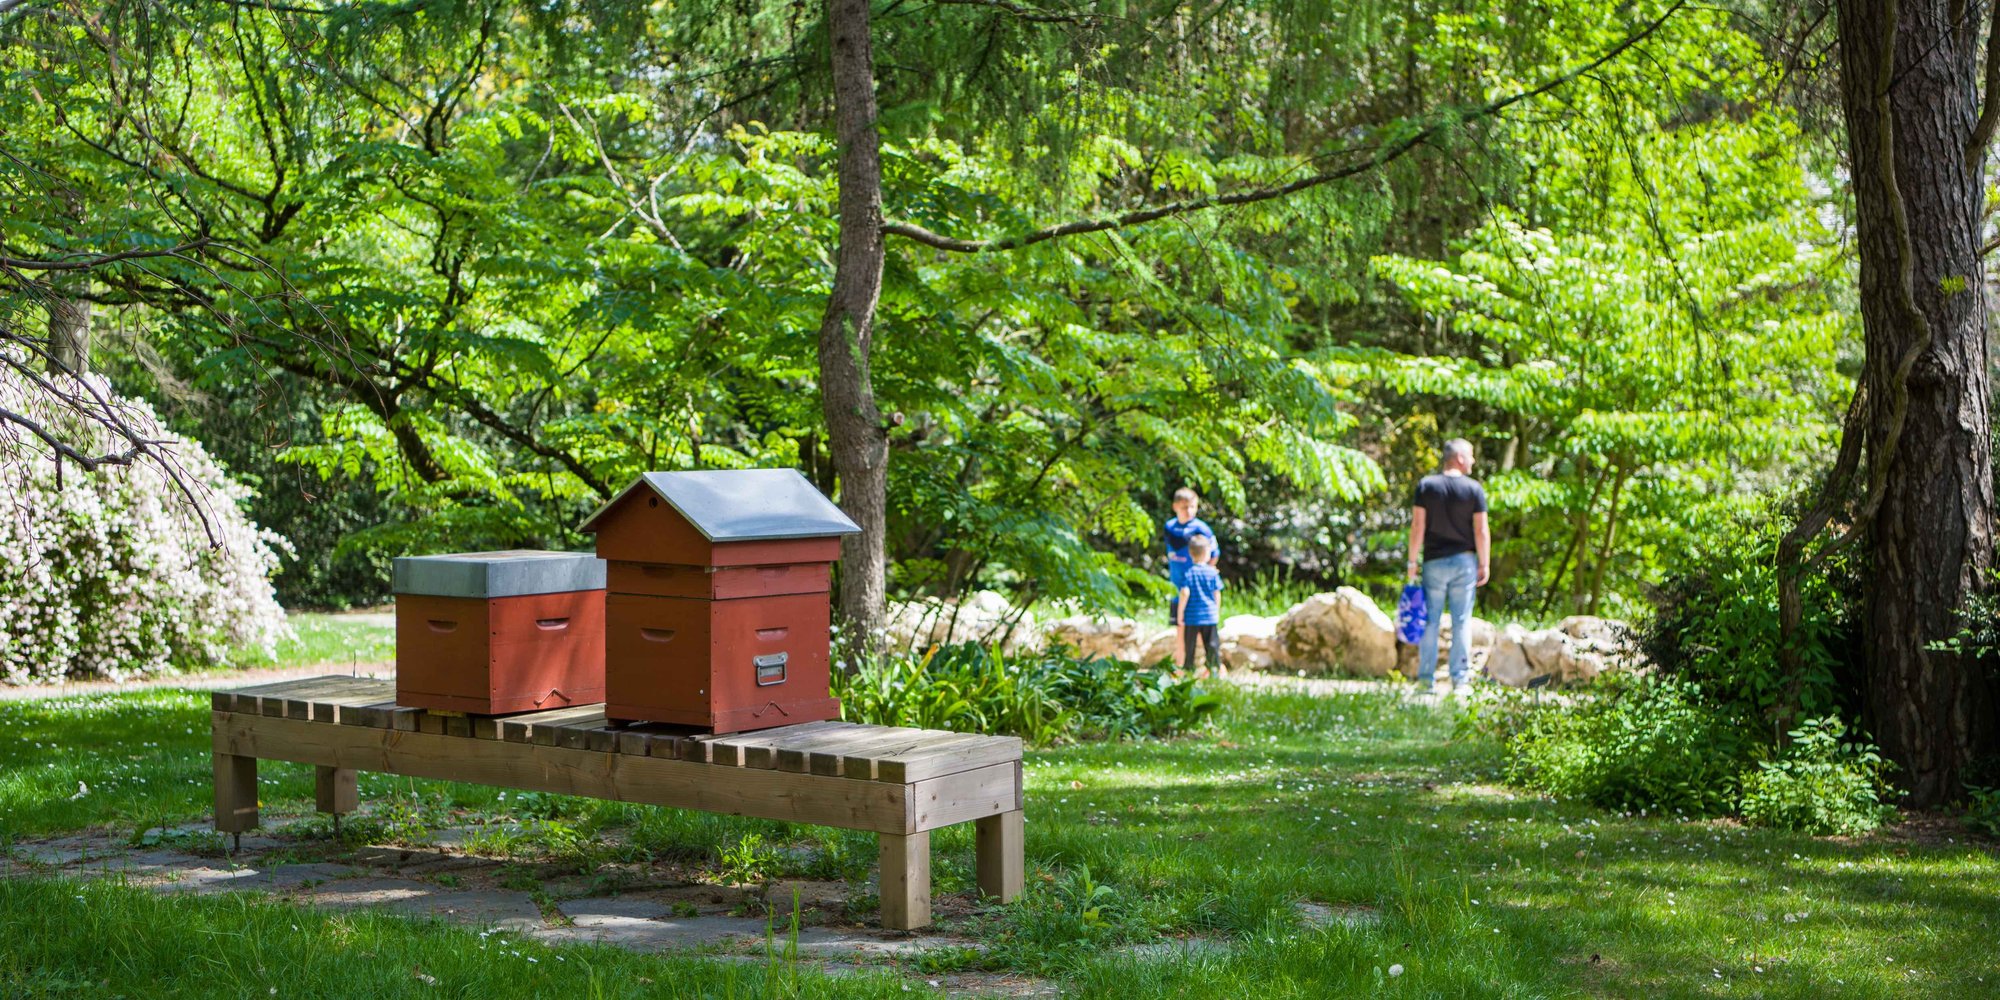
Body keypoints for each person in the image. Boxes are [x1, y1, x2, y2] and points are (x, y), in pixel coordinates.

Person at [1405, 438, 1490, 695]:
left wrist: (1412, 561)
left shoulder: (1427, 486)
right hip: (1464, 562)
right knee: (1461, 622)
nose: (1473, 461)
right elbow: (1481, 530)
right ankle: (1460, 681)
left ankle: (1426, 681)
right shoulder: (1474, 490)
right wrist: (1484, 563)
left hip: (1433, 563)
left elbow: (1418, 527)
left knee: (1430, 620)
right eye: (1471, 456)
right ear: (1460, 458)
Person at [1162, 488, 1220, 666]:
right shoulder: (1169, 527)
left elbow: (1214, 553)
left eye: (1192, 507)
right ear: (1175, 507)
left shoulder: (1201, 529)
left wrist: (1205, 574)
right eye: (1184, 507)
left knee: (1205, 632)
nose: (1188, 511)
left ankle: (1213, 666)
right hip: (1177, 587)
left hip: (1197, 590)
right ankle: (1181, 666)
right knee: (1181, 628)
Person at [1177, 535, 1224, 678]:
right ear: (1207, 553)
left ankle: (1188, 670)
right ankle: (1213, 670)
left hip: (1192, 618)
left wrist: (1180, 614)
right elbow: (1217, 593)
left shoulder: (1189, 573)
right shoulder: (1212, 572)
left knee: (1189, 646)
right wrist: (1216, 611)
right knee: (1212, 645)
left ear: (1191, 553)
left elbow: (1185, 593)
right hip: (1209, 617)